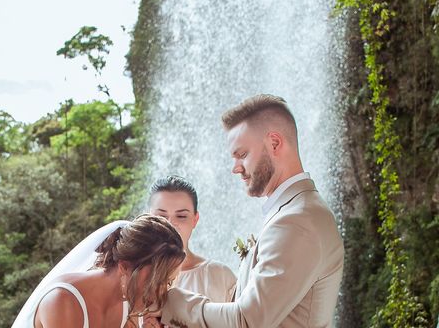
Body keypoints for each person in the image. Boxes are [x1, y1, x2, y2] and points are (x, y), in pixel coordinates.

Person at [157, 94, 344, 328]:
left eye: (242, 155)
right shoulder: (295, 212)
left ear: (275, 143)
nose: (235, 168)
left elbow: (248, 320)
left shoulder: (297, 221)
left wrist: (171, 301)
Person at [18, 214, 185, 328]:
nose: (162, 291)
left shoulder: (130, 303)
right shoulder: (62, 301)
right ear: (124, 266)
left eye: (167, 282)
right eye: (156, 280)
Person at [148, 175, 236, 302]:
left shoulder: (219, 276)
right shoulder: (133, 276)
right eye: (161, 216)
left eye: (181, 216)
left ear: (195, 220)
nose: (170, 223)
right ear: (148, 218)